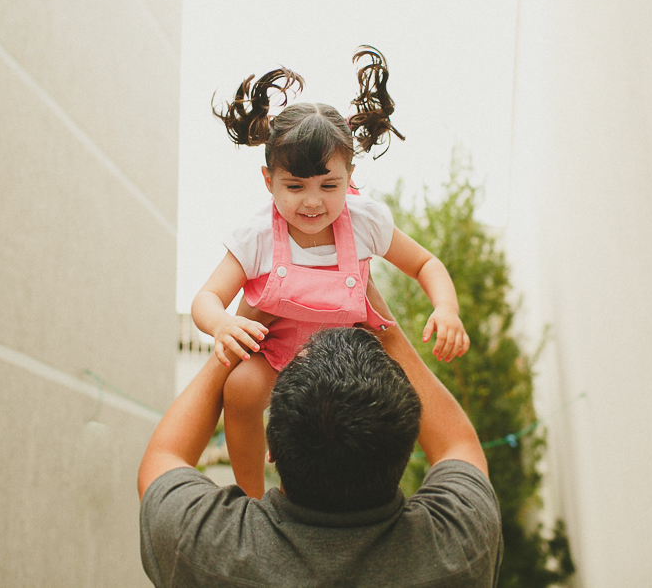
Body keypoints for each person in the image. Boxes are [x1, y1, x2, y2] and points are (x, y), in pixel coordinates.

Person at [191, 46, 471, 497]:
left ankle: (369, 491)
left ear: (350, 176)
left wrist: (446, 309)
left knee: (388, 401)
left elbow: (425, 263)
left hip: (346, 359)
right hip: (276, 350)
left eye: (329, 185)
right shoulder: (257, 235)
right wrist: (222, 324)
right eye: (294, 186)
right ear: (268, 181)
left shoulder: (364, 221)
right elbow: (206, 298)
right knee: (239, 389)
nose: (312, 201)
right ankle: (253, 495)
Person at [138, 285, 502, 588]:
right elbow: (457, 444)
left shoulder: (207, 549)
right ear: (408, 448)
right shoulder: (459, 548)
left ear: (271, 448)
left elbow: (163, 457)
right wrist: (387, 331)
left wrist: (240, 336)